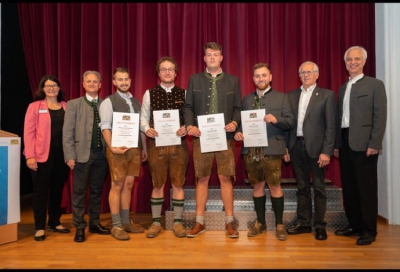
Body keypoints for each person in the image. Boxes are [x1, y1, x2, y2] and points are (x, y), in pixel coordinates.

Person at [183, 42, 242, 238]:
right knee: (202, 178)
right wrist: (190, 125)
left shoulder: (233, 80)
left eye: (216, 54)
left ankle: (229, 222)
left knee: (226, 178)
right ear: (204, 58)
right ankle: (199, 222)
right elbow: (188, 106)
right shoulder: (194, 79)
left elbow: (238, 107)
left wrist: (234, 122)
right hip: (201, 137)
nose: (212, 58)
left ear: (221, 57)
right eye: (209, 55)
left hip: (224, 136)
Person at [234, 63, 294, 241]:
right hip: (251, 150)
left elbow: (290, 122)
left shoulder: (282, 98)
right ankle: (260, 222)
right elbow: (241, 122)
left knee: (275, 186)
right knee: (257, 186)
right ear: (253, 79)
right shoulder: (246, 99)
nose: (261, 79)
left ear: (270, 77)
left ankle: (279, 224)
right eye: (257, 76)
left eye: (264, 75)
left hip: (273, 149)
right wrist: (238, 132)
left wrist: (277, 120)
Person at [334, 46, 387, 246]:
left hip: (365, 145)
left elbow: (380, 117)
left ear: (364, 61)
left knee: (366, 189)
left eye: (357, 59)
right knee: (349, 187)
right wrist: (338, 144)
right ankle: (354, 224)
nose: (353, 62)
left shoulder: (375, 85)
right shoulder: (343, 87)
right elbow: (341, 119)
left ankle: (369, 230)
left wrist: (375, 143)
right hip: (346, 142)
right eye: (349, 59)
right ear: (345, 62)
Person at [285, 61, 336, 241]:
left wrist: (326, 151)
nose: (306, 75)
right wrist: (286, 147)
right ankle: (304, 223)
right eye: (303, 73)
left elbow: (331, 126)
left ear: (317, 74)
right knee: (302, 186)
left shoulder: (327, 95)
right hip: (296, 146)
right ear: (299, 76)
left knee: (319, 188)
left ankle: (320, 225)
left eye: (310, 72)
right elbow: (288, 125)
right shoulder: (291, 96)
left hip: (317, 148)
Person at [140, 57, 189, 238]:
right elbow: (143, 118)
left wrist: (186, 128)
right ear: (158, 73)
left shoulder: (184, 93)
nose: (167, 72)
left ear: (176, 73)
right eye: (163, 69)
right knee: (157, 184)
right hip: (156, 146)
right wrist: (147, 129)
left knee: (178, 184)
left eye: (170, 69)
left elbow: (189, 117)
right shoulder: (149, 93)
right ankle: (155, 223)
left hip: (179, 146)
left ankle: (177, 223)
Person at [99, 67, 147, 241]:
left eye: (126, 79)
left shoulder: (135, 102)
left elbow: (141, 126)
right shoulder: (108, 102)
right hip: (117, 149)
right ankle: (117, 225)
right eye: (120, 80)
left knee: (128, 185)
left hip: (134, 148)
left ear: (130, 81)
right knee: (117, 185)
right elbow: (105, 126)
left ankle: (126, 222)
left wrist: (144, 149)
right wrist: (112, 147)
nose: (124, 82)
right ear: (114, 82)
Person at [63, 70, 111, 243]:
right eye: (88, 81)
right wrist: (69, 155)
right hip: (81, 155)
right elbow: (67, 132)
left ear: (100, 85)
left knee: (97, 191)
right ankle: (80, 227)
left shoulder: (106, 104)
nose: (91, 84)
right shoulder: (73, 104)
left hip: (102, 155)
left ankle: (95, 223)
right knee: (79, 192)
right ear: (83, 84)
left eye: (95, 81)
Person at [23, 75, 71, 241]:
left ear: (59, 88)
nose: (51, 88)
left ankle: (55, 222)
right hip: (41, 156)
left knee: (57, 190)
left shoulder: (66, 107)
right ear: (42, 89)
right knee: (40, 192)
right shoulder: (35, 107)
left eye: (54, 85)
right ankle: (39, 227)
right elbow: (28, 133)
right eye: (48, 86)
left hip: (62, 157)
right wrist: (30, 156)